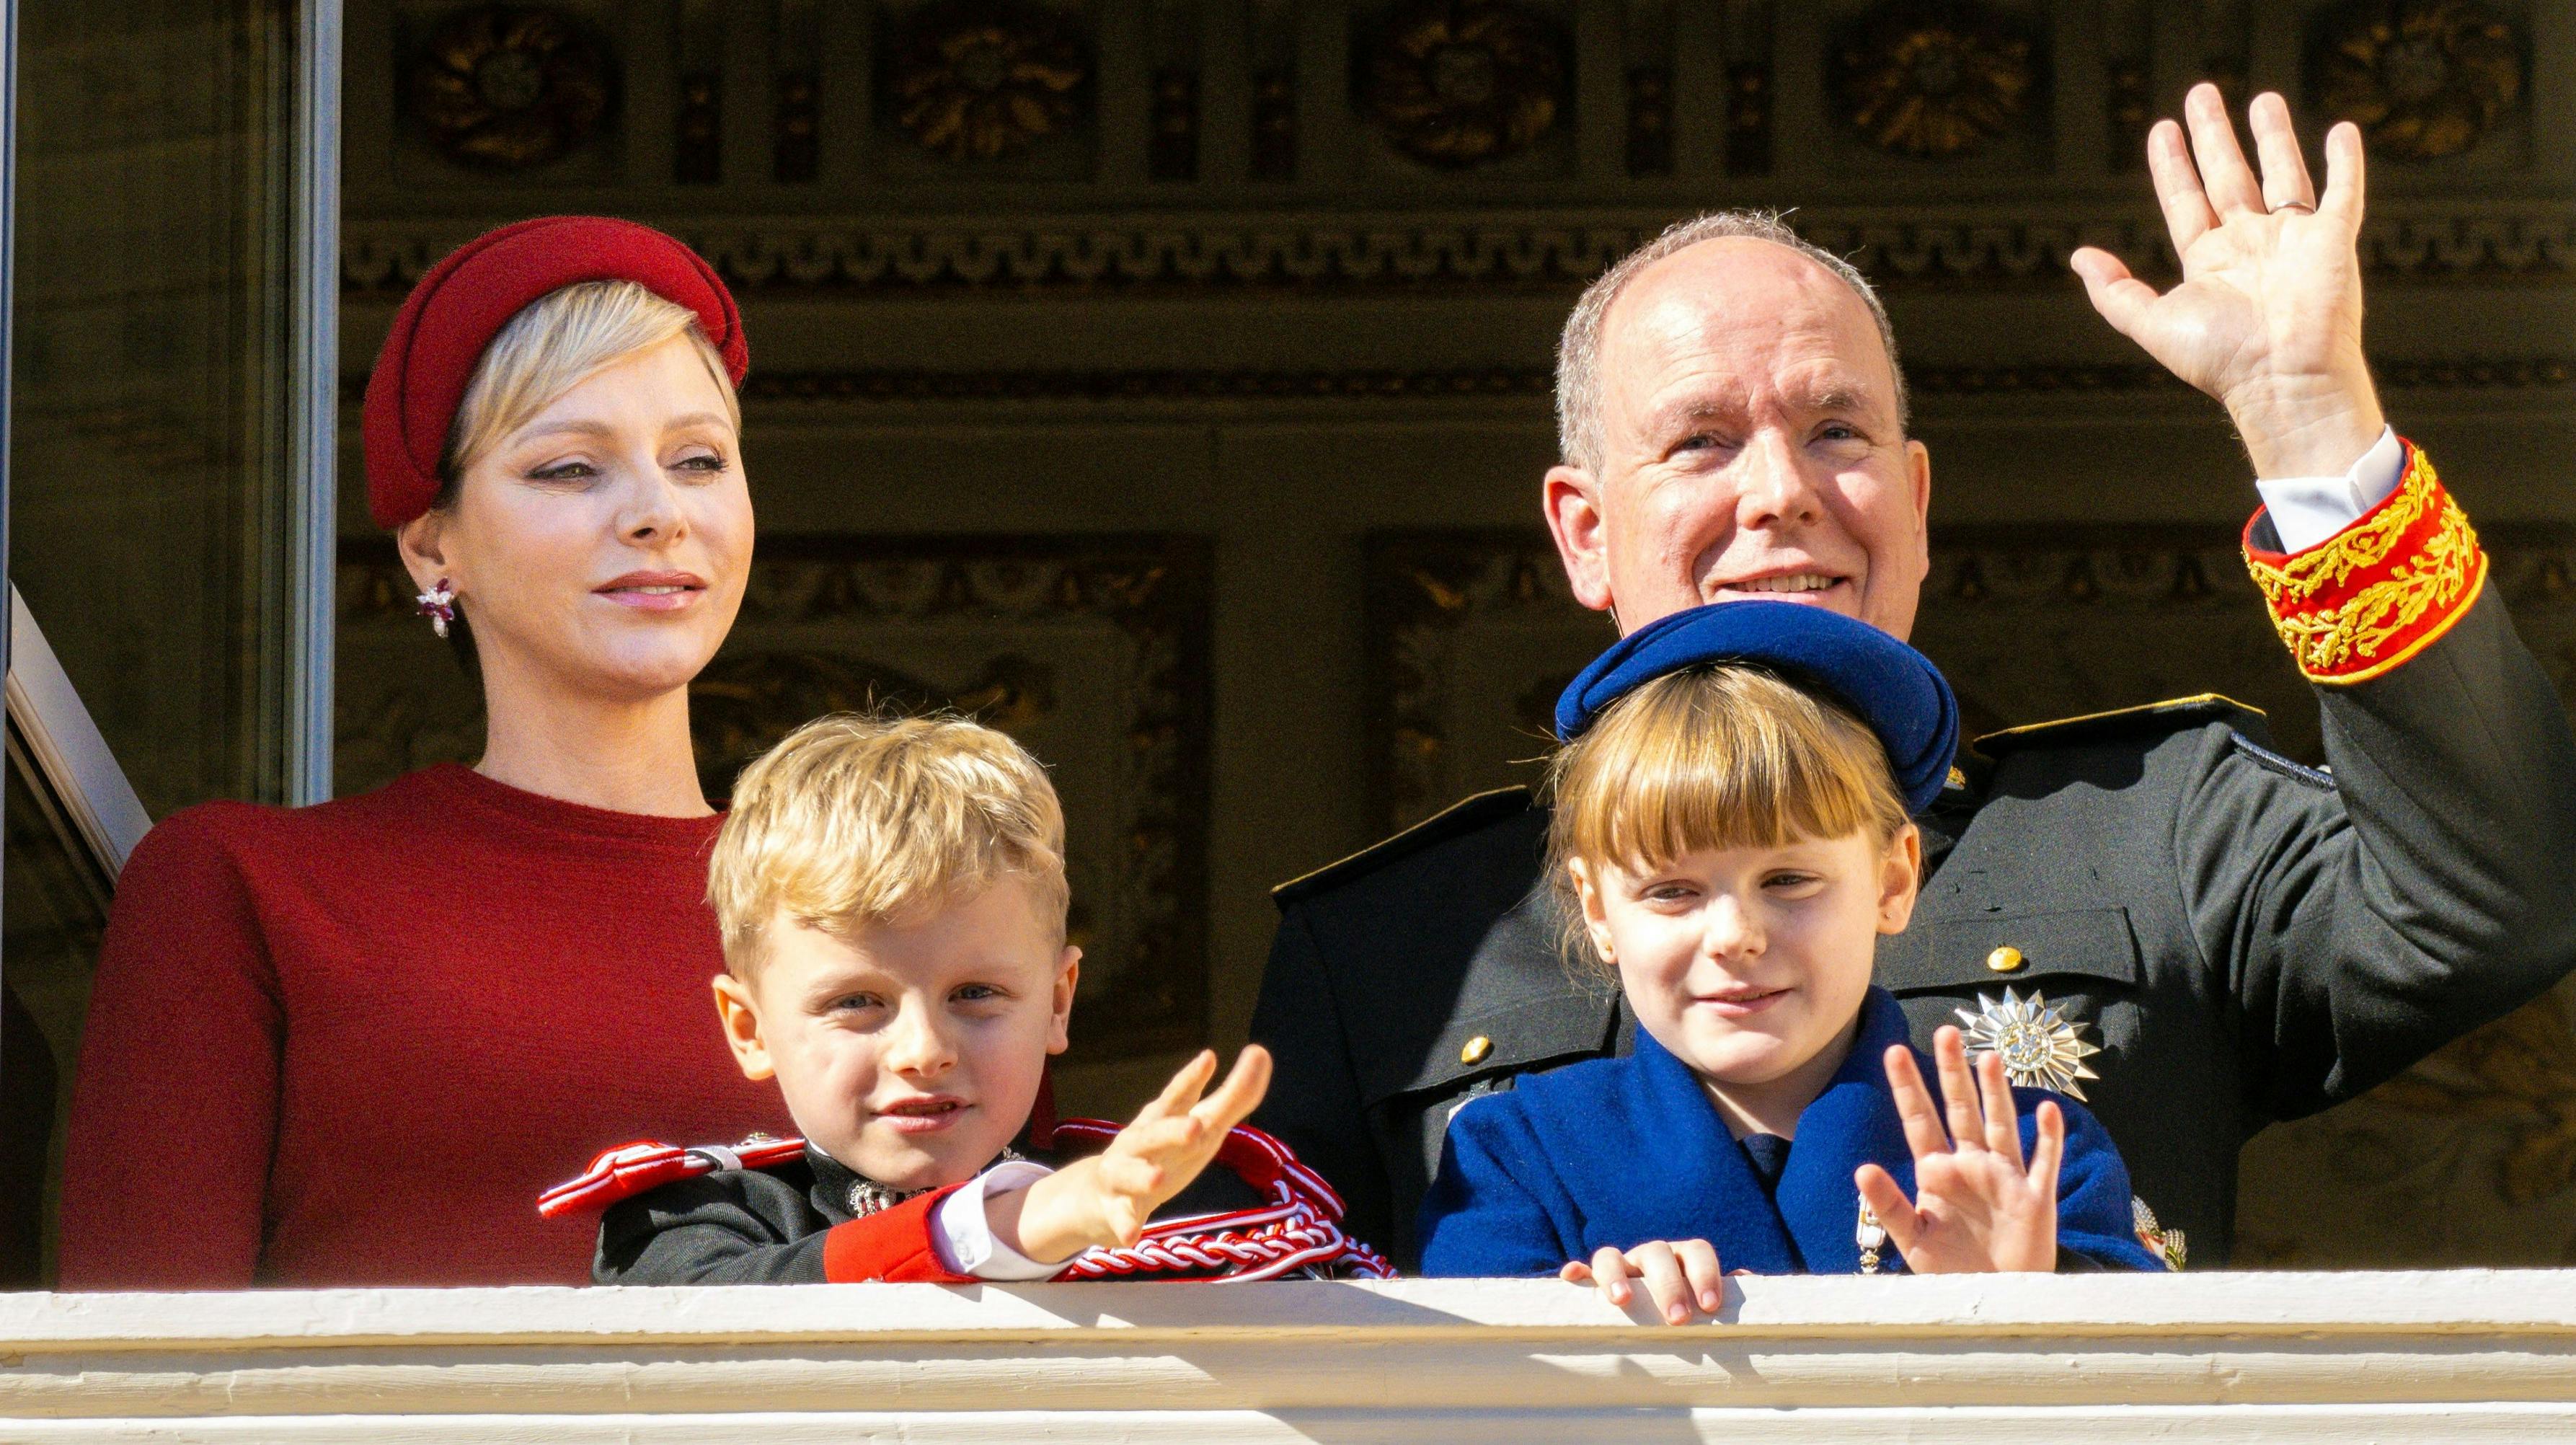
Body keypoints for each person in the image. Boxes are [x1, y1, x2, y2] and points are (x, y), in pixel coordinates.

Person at [1247, 87, 2576, 1270]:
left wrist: (2308, 416)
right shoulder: (1393, 946)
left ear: (1917, 499)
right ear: (1583, 529)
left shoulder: (2156, 829)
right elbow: (1252, 1330)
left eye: (1836, 430)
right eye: (1701, 441)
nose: (1779, 492)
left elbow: (2495, 900)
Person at [58, 217, 797, 1287]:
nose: (658, 513)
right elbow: (130, 1359)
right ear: (431, 547)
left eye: (698, 460)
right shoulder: (248, 886)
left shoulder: (892, 906)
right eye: (570, 468)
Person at [1420, 602, 2164, 1317]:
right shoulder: (1516, 1154)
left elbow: (2154, 1380)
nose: (1734, 935)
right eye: (1671, 891)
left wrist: (2030, 1295)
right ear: (1596, 910)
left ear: (1892, 881)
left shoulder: (2032, 1154)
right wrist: (1598, 1324)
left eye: (1787, 880)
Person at [567, 714, 1381, 1285]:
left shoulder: (1176, 1205)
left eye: (976, 993)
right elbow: (712, 1334)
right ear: (749, 1028)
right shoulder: (688, 1223)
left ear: (1057, 1002)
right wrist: (1009, 1227)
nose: (924, 1050)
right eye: (857, 1002)